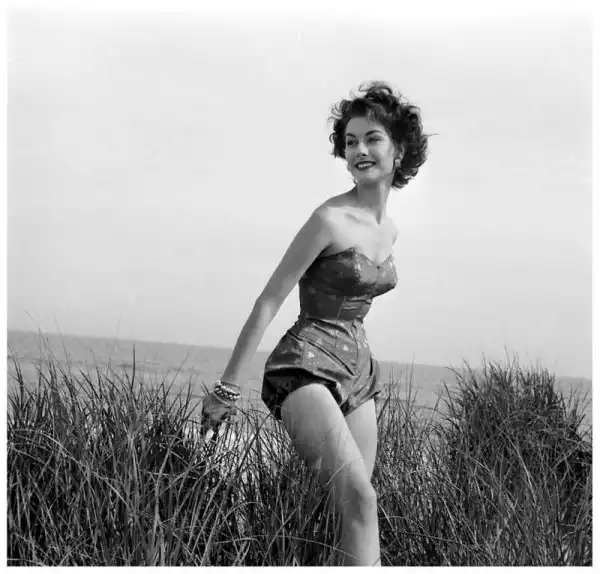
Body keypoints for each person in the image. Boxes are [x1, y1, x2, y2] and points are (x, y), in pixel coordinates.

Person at [201, 81, 429, 566]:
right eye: (350, 141)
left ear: (399, 150)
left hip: (359, 375)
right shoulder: (328, 219)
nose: (359, 150)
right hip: (304, 365)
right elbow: (269, 300)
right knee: (362, 501)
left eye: (372, 139)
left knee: (343, 514)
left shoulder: (389, 230)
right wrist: (227, 388)